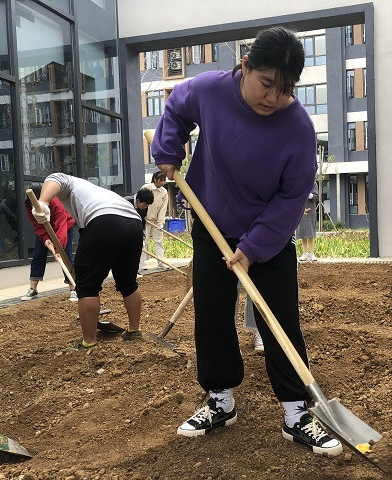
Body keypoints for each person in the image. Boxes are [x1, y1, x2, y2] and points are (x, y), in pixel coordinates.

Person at [151, 26, 341, 456]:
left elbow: (292, 197)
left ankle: (296, 410)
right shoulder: (210, 91)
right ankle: (220, 400)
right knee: (213, 316)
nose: (273, 97)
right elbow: (177, 109)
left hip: (268, 239)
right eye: (266, 83)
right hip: (211, 225)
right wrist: (168, 147)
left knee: (280, 321)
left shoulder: (298, 129)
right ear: (245, 66)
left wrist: (254, 247)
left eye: (285, 88)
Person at [31, 173, 144, 349]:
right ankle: (134, 331)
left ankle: (89, 342)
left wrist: (43, 202)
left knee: (86, 286)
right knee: (128, 282)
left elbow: (54, 178)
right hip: (134, 222)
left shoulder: (69, 183)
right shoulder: (93, 191)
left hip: (104, 220)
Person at [21, 186, 77, 302]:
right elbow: (37, 225)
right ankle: (33, 288)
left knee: (65, 256)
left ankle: (74, 288)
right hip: (44, 230)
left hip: (64, 227)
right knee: (38, 256)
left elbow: (61, 226)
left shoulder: (55, 203)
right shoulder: (28, 206)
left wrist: (58, 250)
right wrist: (45, 238)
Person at [141, 171, 168, 268]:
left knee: (159, 241)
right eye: (161, 180)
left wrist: (161, 222)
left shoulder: (164, 192)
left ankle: (160, 262)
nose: (163, 183)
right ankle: (141, 263)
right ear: (155, 179)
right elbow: (141, 203)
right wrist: (143, 216)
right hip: (146, 220)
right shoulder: (146, 188)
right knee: (144, 242)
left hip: (156, 221)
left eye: (164, 181)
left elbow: (163, 208)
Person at [296, 181, 319, 261]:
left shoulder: (313, 183)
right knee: (302, 232)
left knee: (310, 233)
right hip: (301, 210)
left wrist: (309, 195)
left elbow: (316, 198)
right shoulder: (300, 183)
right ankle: (304, 254)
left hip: (310, 210)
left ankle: (312, 254)